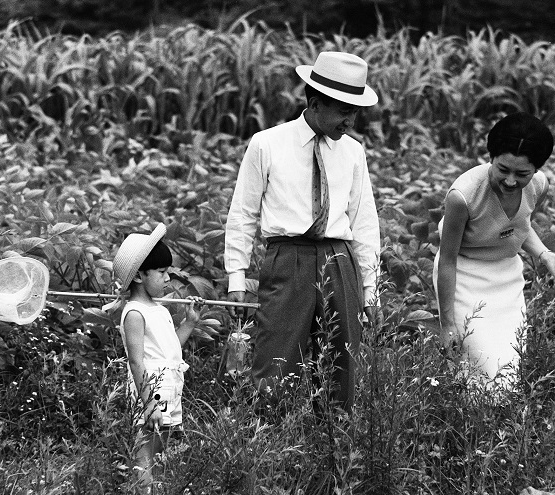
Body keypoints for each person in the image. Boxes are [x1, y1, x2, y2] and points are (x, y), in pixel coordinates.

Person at [224, 51, 381, 414]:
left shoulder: (353, 153)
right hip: (287, 258)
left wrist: (370, 290)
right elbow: (243, 213)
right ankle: (269, 441)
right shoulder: (267, 144)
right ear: (314, 103)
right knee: (275, 360)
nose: (350, 120)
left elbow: (364, 222)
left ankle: (335, 441)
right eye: (344, 111)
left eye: (355, 111)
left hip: (339, 261)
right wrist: (236, 277)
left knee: (342, 362)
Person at [433, 112, 555, 380]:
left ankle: (496, 418)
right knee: (482, 370)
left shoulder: (538, 185)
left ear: (536, 170)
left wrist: (544, 254)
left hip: (506, 278)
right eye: (503, 170)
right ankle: (465, 418)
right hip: (464, 276)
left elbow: (517, 226)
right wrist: (447, 324)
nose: (511, 181)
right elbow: (447, 260)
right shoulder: (463, 196)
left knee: (508, 370)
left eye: (522, 173)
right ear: (490, 158)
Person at [112, 223, 202, 491]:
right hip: (151, 389)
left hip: (170, 386)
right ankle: (143, 489)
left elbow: (170, 349)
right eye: (162, 272)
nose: (167, 279)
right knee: (145, 449)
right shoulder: (135, 313)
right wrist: (148, 402)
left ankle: (153, 487)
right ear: (140, 276)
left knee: (159, 447)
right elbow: (136, 361)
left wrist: (190, 323)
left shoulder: (158, 309)